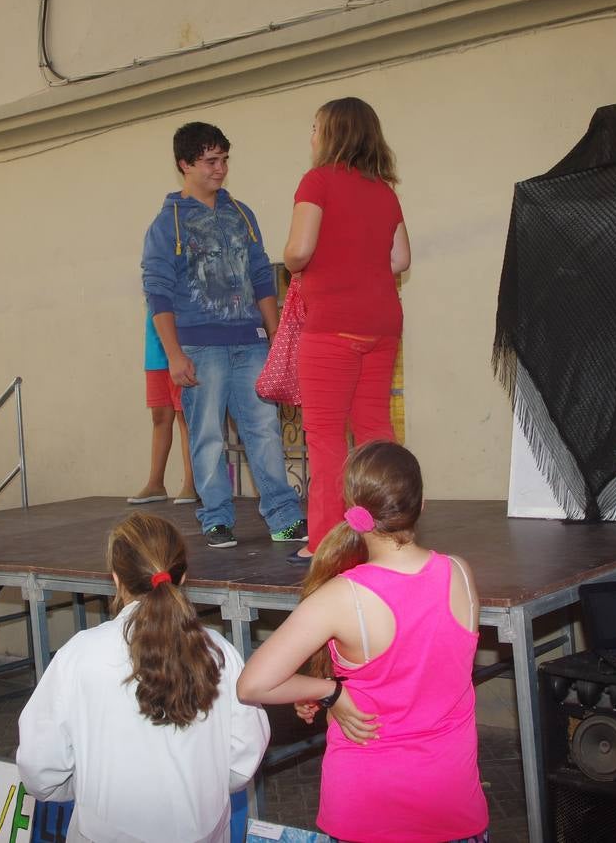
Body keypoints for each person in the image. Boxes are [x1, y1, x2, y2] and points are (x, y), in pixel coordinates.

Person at [237, 441, 488, 842]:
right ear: (420, 506)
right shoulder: (460, 573)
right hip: (452, 803)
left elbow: (253, 684)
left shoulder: (343, 597)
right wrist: (329, 691)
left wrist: (330, 691)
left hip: (366, 810)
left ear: (352, 511)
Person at [16, 512, 270, 842]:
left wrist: (81, 787)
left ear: (116, 580)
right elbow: (243, 757)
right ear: (182, 577)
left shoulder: (78, 656)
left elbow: (39, 766)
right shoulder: (220, 654)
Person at [141, 121, 306, 550]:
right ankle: (216, 517)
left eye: (224, 159)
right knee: (207, 434)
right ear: (184, 164)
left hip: (250, 341)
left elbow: (261, 278)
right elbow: (157, 293)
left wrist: (275, 338)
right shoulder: (167, 224)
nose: (220, 169)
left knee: (264, 430)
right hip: (199, 346)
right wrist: (174, 354)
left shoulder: (241, 215)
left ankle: (284, 517)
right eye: (210, 161)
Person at [282, 98, 411, 565]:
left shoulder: (317, 181)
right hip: (380, 322)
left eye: (315, 127)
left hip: (332, 325)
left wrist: (302, 260)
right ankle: (392, 527)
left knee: (325, 436)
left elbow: (298, 250)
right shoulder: (384, 191)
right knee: (376, 428)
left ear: (333, 134)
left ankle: (324, 541)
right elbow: (400, 260)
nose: (311, 136)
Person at [128, 309, 198, 506]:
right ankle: (155, 483)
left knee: (184, 416)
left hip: (181, 350)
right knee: (159, 417)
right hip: (155, 352)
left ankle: (191, 484)